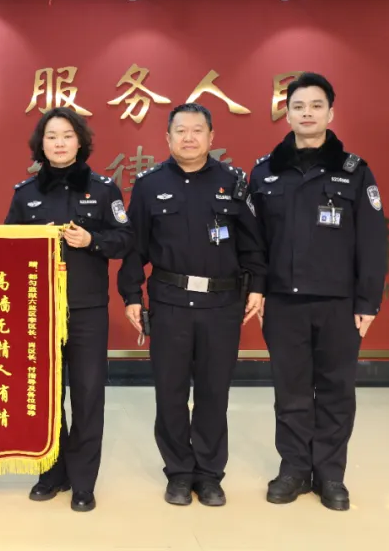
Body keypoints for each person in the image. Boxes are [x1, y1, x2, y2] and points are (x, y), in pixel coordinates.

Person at [248, 73, 387, 511]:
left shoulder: (354, 171)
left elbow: (373, 241)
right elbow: (254, 243)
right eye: (298, 106)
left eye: (315, 105)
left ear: (330, 112)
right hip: (283, 302)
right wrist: (257, 290)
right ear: (286, 114)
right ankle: (293, 469)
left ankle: (330, 474)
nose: (306, 113)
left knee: (335, 391)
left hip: (338, 304)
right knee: (289, 391)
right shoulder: (265, 172)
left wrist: (367, 301)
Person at [117, 103, 266, 508]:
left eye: (197, 130)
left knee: (215, 392)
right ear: (167, 138)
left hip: (222, 305)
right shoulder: (149, 185)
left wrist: (258, 286)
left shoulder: (233, 182)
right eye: (180, 130)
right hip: (170, 304)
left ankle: (210, 474)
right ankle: (180, 472)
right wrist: (132, 296)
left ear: (211, 137)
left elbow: (252, 242)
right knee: (170, 392)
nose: (189, 137)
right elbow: (134, 248)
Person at [5, 107, 133, 513]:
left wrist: (91, 240)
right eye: (51, 137)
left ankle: (83, 481)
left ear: (80, 142)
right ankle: (51, 472)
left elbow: (124, 240)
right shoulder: (25, 193)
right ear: (40, 145)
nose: (59, 143)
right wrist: (30, 240)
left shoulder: (104, 189)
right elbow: (5, 247)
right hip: (37, 311)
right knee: (44, 395)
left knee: (88, 394)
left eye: (66, 135)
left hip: (87, 310)